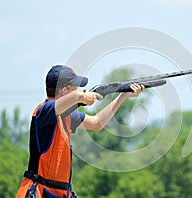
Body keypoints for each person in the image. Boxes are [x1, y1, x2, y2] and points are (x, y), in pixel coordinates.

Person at [16, 65, 144, 198]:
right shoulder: (44, 111)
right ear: (64, 90)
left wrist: (122, 97)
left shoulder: (67, 115)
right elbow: (75, 97)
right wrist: (82, 97)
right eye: (75, 87)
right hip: (39, 192)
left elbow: (98, 123)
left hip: (58, 193)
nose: (79, 90)